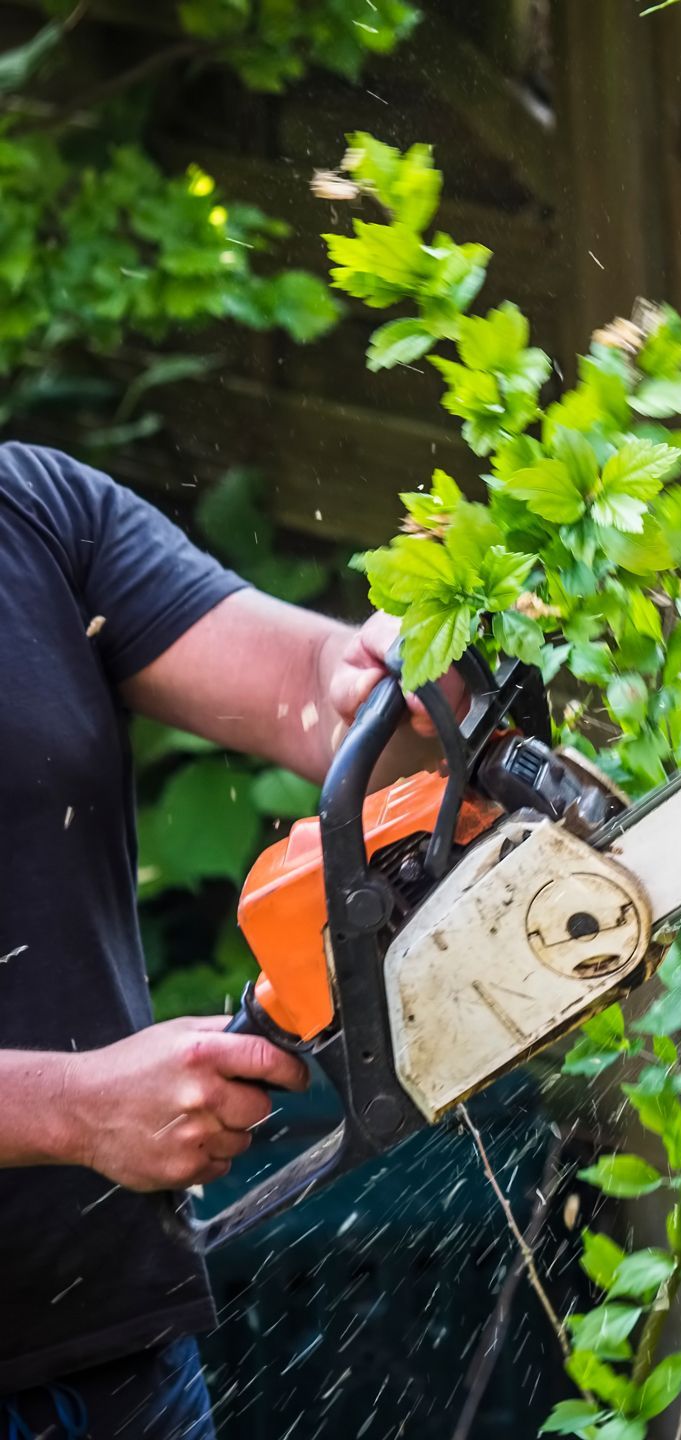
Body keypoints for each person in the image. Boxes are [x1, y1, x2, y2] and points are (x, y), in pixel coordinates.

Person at [0, 442, 452, 1438]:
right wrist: (71, 1110)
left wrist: (397, 683)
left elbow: (314, 694)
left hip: (119, 1352)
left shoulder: (31, 511)